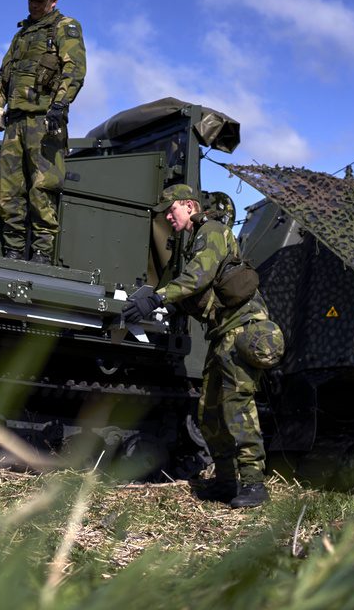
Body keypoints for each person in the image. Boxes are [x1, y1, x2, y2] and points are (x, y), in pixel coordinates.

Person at [122, 184, 285, 508]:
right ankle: (226, 482)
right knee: (209, 413)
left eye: (172, 209)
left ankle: (254, 484)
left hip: (240, 330)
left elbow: (198, 277)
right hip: (221, 333)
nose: (168, 217)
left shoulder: (212, 231)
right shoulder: (197, 238)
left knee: (237, 407)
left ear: (189, 205)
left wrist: (158, 296)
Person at [0, 0, 86, 265]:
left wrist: (59, 106)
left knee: (42, 189)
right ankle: (13, 251)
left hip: (45, 121)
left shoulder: (65, 27)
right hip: (15, 122)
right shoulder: (21, 35)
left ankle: (42, 254)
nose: (34, 4)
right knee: (8, 192)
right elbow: (4, 73)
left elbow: (75, 69)